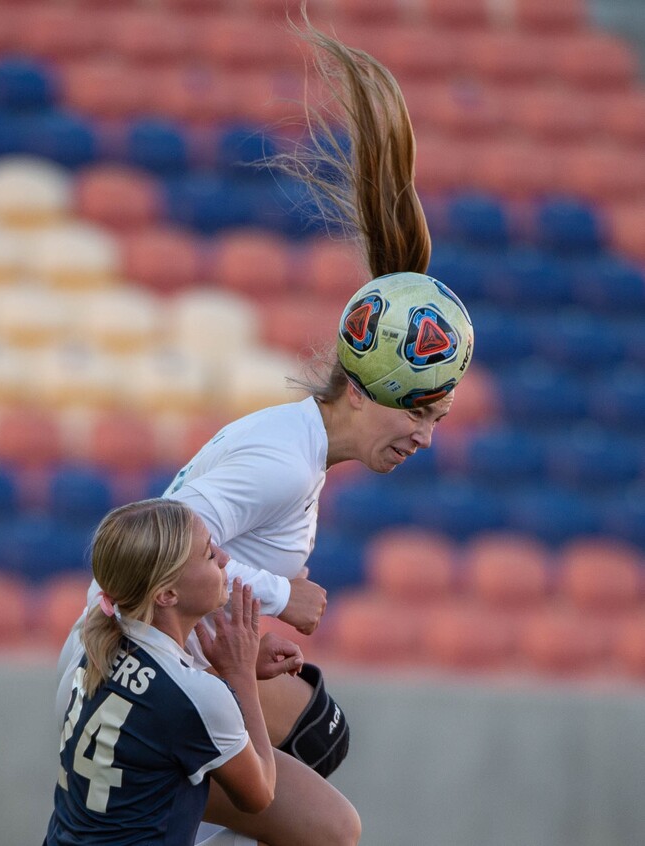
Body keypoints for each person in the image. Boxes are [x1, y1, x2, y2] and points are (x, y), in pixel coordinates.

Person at [56, 12, 471, 846]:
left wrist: (230, 646)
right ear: (367, 389)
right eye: (418, 412)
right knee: (327, 818)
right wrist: (281, 601)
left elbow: (180, 569)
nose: (426, 437)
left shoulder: (298, 450)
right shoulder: (285, 459)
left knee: (310, 724)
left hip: (141, 673)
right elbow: (159, 548)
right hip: (129, 687)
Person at [45, 498, 299, 846]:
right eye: (209, 554)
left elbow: (155, 702)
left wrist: (227, 670)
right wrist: (239, 676)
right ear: (166, 594)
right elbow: (260, 794)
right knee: (306, 831)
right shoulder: (195, 695)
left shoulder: (93, 644)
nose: (224, 558)